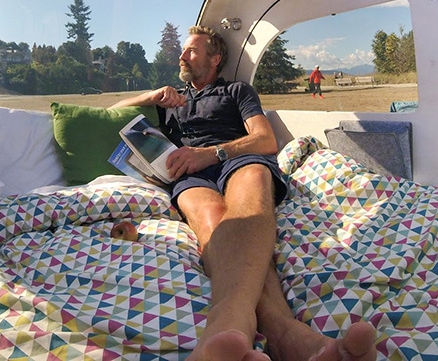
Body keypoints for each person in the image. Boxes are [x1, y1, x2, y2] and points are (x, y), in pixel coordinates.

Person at [111, 26, 376, 361]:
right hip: (190, 177)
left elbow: (266, 141)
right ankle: (285, 335)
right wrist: (150, 98)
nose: (182, 55)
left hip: (237, 159)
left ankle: (226, 325)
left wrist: (211, 153)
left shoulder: (237, 90)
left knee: (247, 202)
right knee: (214, 222)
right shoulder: (172, 101)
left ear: (215, 57)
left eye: (192, 50)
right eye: (183, 50)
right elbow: (113, 112)